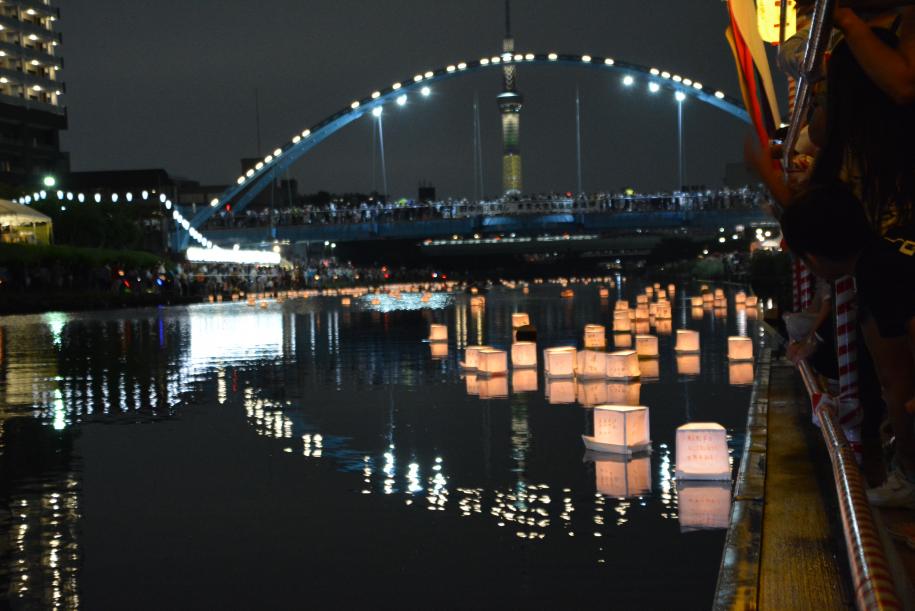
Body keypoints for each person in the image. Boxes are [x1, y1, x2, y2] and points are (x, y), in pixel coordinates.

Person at [780, 184, 915, 507]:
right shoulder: (893, 246)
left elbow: (895, 376)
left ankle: (909, 480)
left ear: (812, 257)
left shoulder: (875, 272)